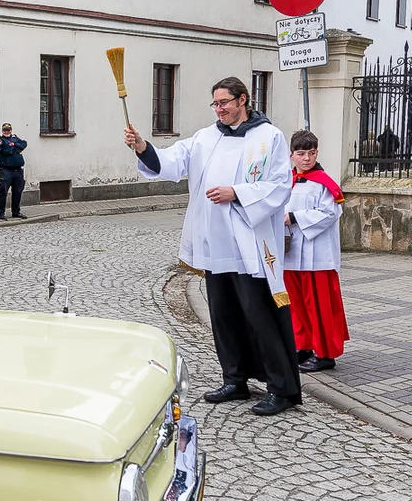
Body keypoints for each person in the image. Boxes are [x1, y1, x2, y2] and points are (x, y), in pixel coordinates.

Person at [125, 76, 300, 416]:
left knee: (259, 314)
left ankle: (282, 388)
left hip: (250, 245)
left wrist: (237, 193)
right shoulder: (206, 138)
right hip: (215, 243)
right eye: (215, 104)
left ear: (243, 100)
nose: (219, 109)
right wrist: (143, 146)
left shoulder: (269, 137)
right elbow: (171, 162)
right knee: (223, 315)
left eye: (225, 103)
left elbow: (281, 186)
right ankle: (235, 379)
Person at [284, 130, 349, 373]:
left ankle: (326, 354)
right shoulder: (286, 181)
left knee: (320, 306)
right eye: (301, 154)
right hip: (291, 255)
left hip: (317, 256)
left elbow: (331, 214)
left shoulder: (325, 183)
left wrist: (293, 217)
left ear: (317, 153)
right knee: (297, 305)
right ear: (292, 155)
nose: (307, 158)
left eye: (311, 153)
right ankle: (303, 346)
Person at [0, 122, 28, 220]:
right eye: (5, 130)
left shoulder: (15, 138)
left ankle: (16, 212)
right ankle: (1, 213)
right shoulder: (0, 140)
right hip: (6, 170)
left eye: (8, 130)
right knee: (3, 192)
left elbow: (24, 144)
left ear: (11, 130)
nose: (7, 132)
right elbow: (5, 150)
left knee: (17, 192)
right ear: (2, 131)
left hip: (18, 170)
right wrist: (16, 149)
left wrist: (14, 145)